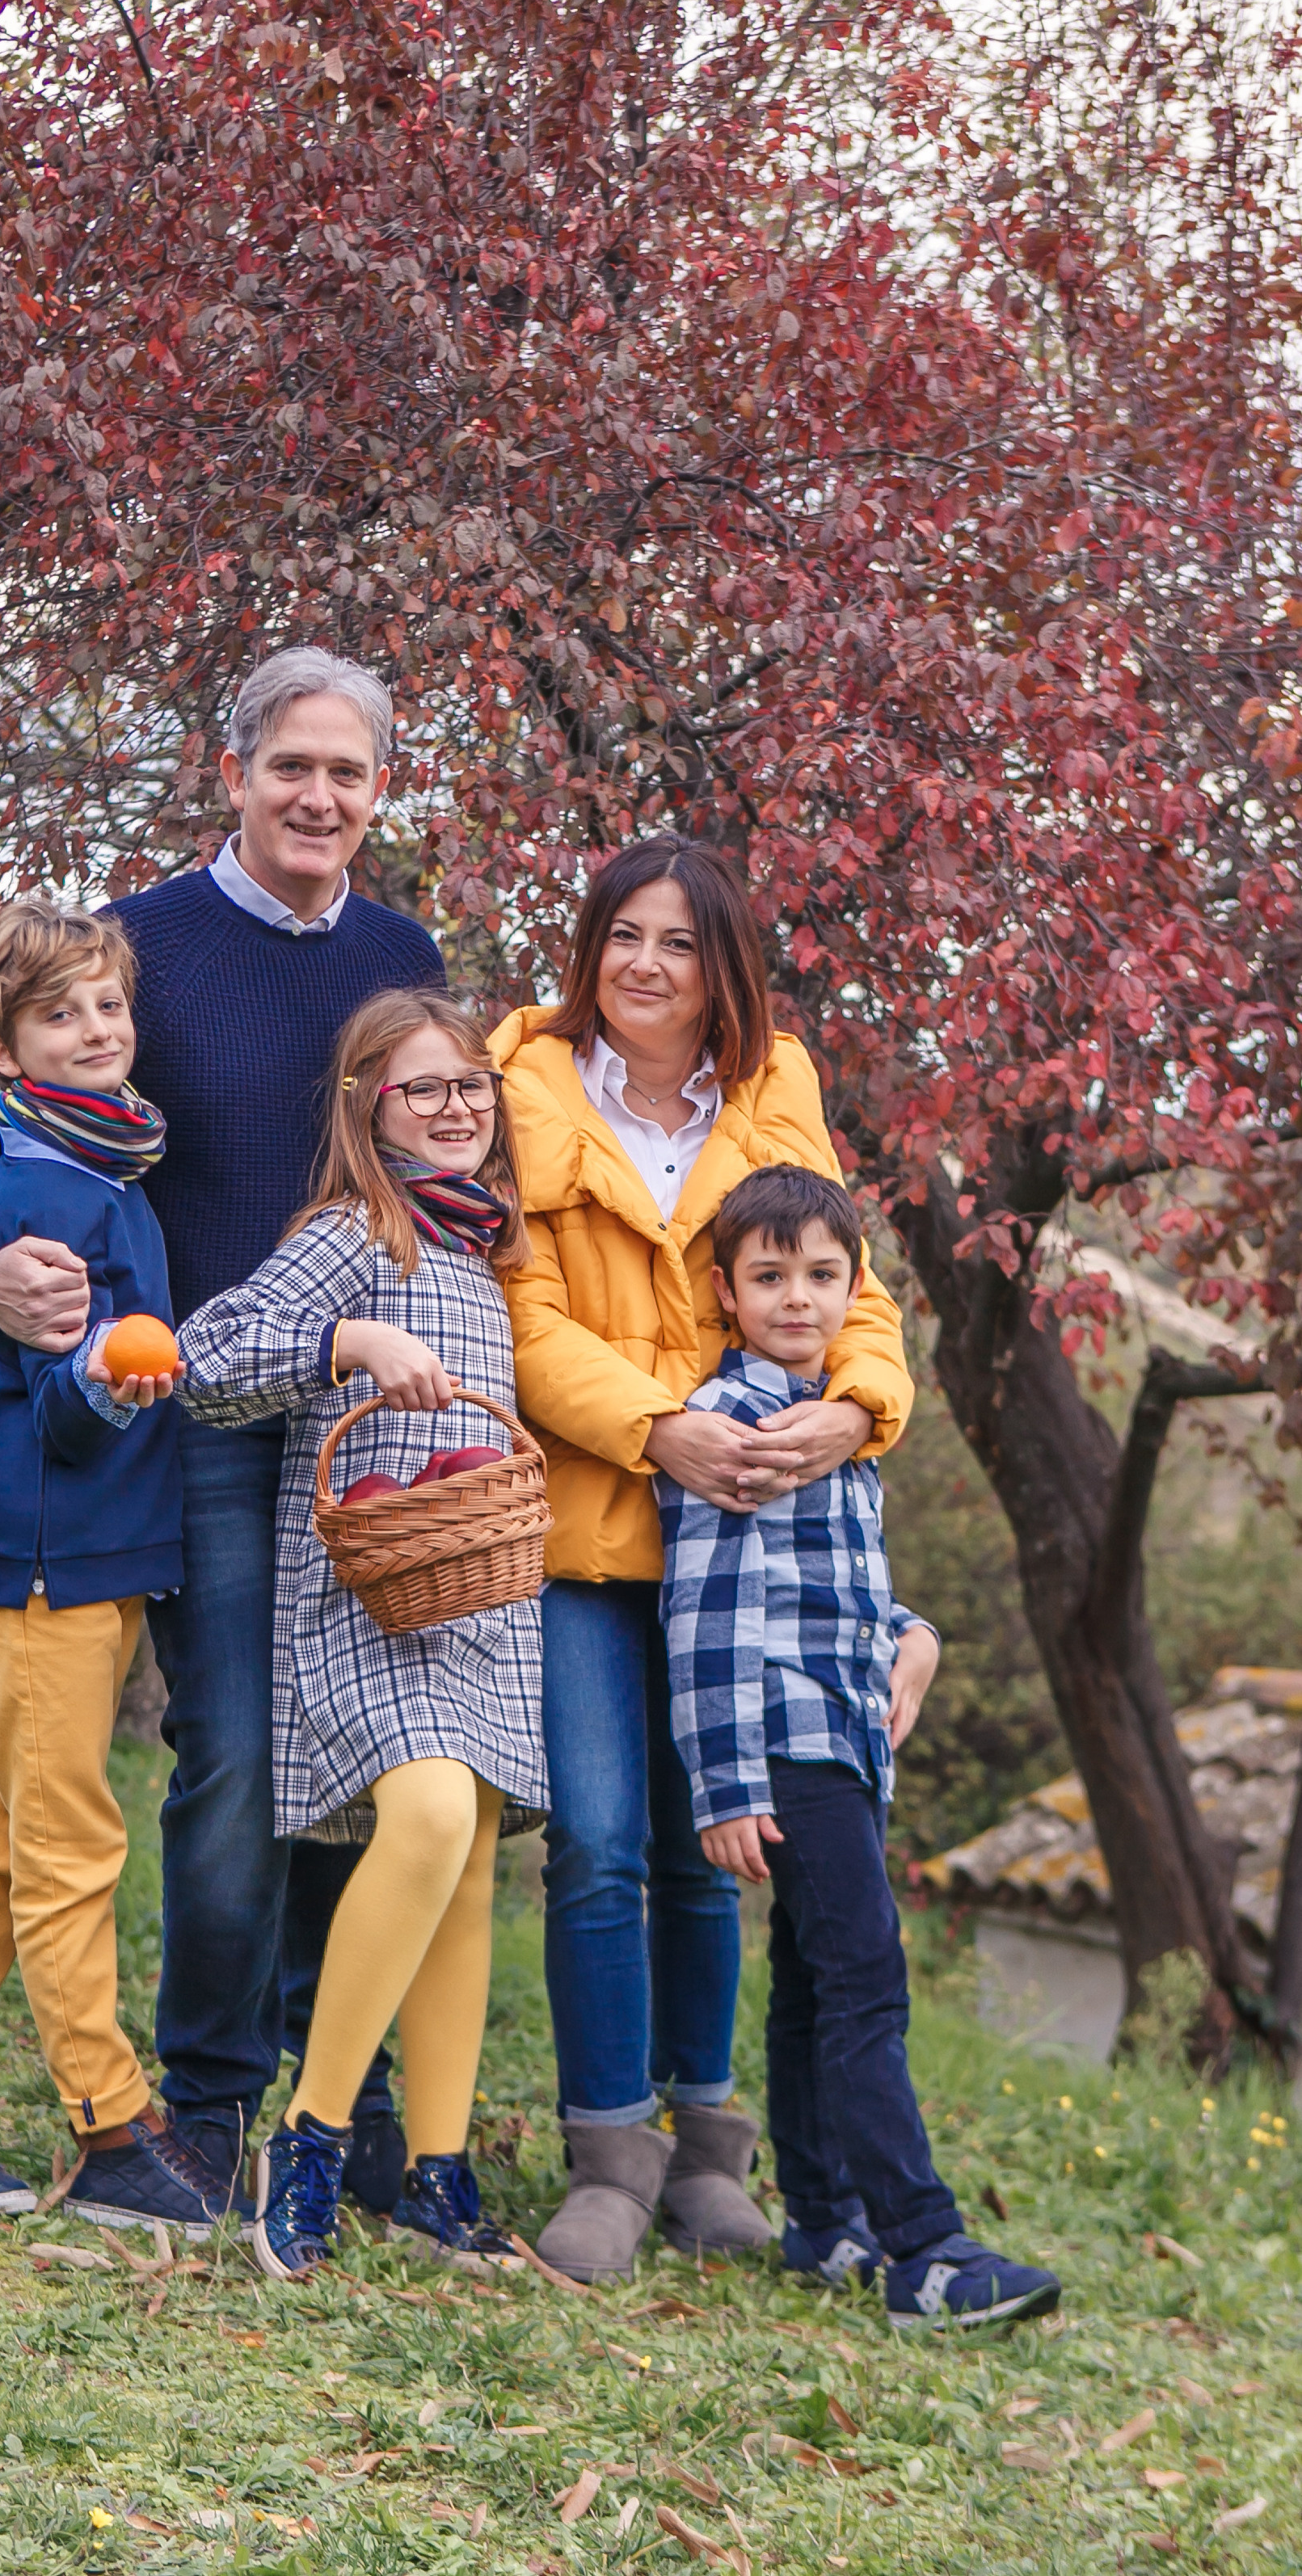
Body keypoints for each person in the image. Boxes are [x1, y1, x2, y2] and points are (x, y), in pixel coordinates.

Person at [0, 651, 445, 2217]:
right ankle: (200, 2101)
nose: (318, 797)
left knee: (360, 1742)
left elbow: (438, 1149)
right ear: (232, 771)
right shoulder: (127, 948)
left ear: (377, 791)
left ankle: (347, 2095)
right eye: (292, 766)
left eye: (347, 773)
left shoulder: (400, 954)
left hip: (350, 1415)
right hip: (186, 1416)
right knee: (228, 1751)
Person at [488, 837, 917, 2282]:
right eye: (623, 935)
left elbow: (847, 1280)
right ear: (589, 948)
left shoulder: (774, 1089)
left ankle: (707, 2153)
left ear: (720, 964)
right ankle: (609, 2160)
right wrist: (658, 1428)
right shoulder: (526, 1083)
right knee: (600, 1843)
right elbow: (524, 1313)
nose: (645, 966)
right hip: (596, 1521)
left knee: (703, 1857)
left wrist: (855, 1413)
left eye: (678, 941)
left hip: (746, 1538)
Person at [177, 993, 546, 2277]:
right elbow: (206, 1356)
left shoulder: (493, 1251)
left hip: (480, 1598)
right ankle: (314, 2131)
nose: (456, 1111)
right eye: (423, 1090)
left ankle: (439, 2173)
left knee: (471, 1855)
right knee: (432, 1815)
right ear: (364, 1109)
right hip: (359, 1603)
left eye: (472, 1089)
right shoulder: (350, 1234)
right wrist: (345, 1338)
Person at [0, 899, 226, 2233]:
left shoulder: (104, 1163)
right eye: (59, 1014)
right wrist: (128, 1377)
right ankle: (110, 2120)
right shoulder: (35, 1185)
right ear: (4, 1050)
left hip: (80, 1551)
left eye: (108, 1007)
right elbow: (64, 1398)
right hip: (42, 1558)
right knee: (69, 1839)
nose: (96, 1031)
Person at [660, 1164, 1060, 2330]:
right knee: (865, 1979)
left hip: (842, 1734)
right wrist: (727, 1783)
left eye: (822, 1276)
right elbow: (709, 1621)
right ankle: (921, 2245)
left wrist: (914, 1634)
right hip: (782, 1738)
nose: (797, 1298)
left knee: (808, 1983)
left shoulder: (843, 1430)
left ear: (854, 1288)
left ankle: (822, 2223)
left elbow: (831, 1594)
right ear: (726, 1294)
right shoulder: (727, 1426)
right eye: (768, 1277)